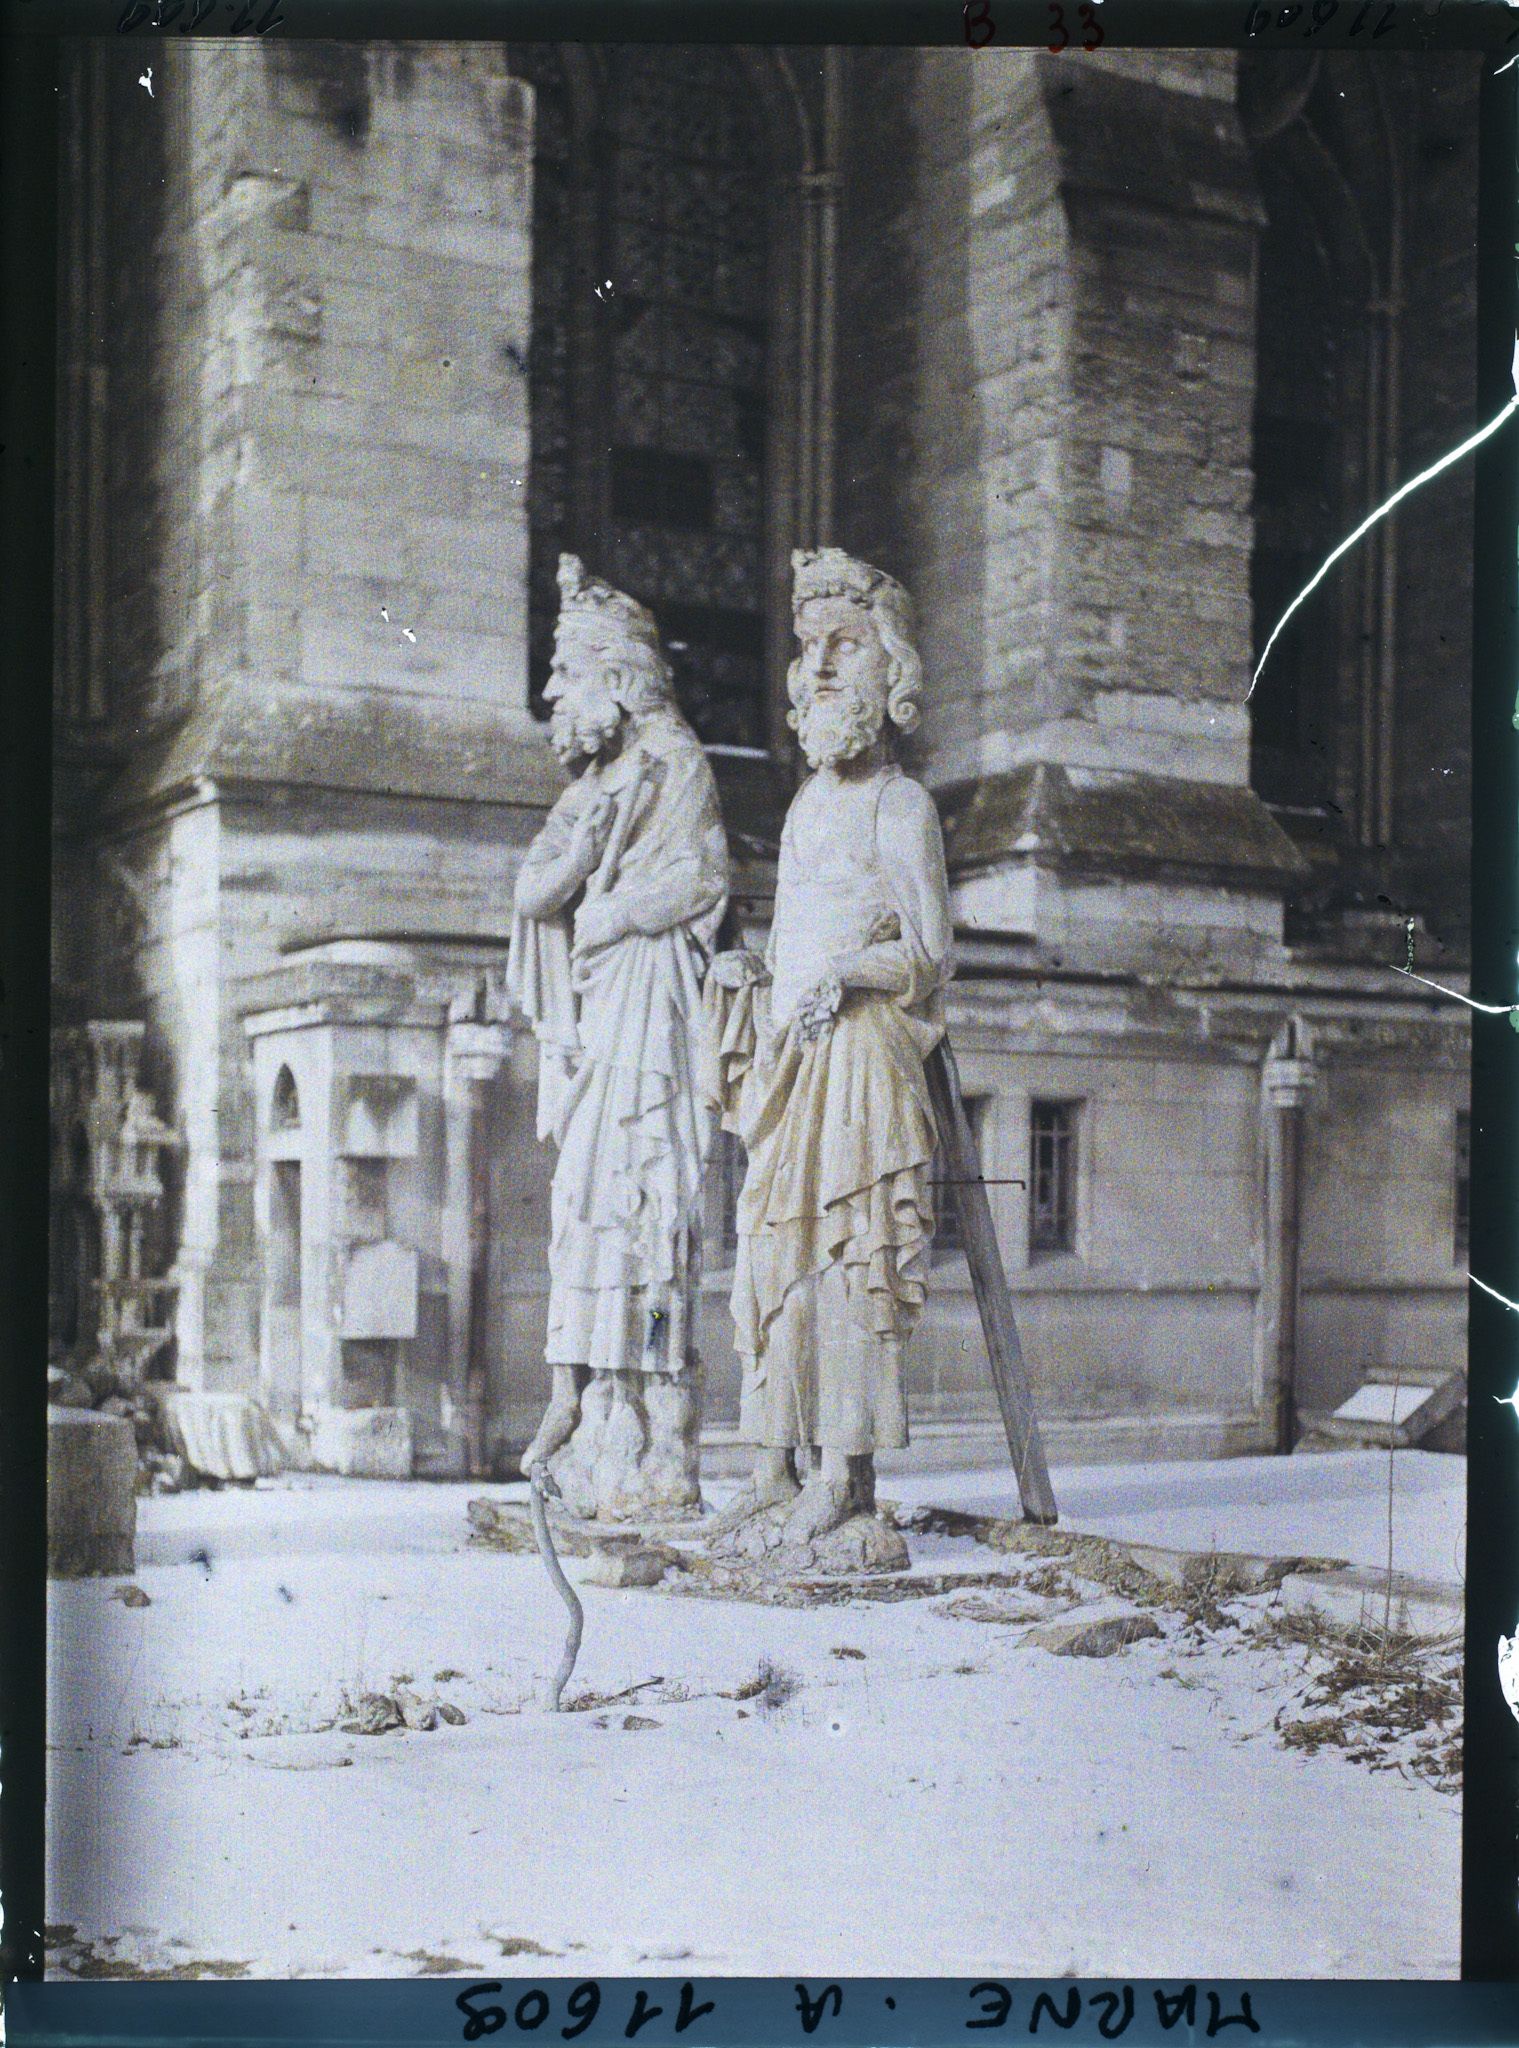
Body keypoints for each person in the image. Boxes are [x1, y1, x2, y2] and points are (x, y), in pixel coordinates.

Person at [704, 547, 954, 1547]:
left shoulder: (902, 805)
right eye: (807, 649)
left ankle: (844, 1471)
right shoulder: (810, 804)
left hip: (860, 1064)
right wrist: (751, 975)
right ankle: (771, 1459)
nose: (816, 669)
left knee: (848, 1264)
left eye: (842, 648)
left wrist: (851, 971)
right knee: (770, 1258)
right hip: (793, 1062)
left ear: (887, 672)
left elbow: (929, 952)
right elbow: (794, 944)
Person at [508, 554, 729, 1521]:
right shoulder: (594, 787)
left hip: (651, 1009)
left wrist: (619, 913)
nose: (552, 693)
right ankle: (586, 1399)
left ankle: (643, 1414)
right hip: (603, 1021)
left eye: (567, 674)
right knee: (590, 1197)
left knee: (644, 1204)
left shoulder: (675, 761)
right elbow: (531, 890)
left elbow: (704, 878)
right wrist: (588, 865)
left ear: (617, 677)